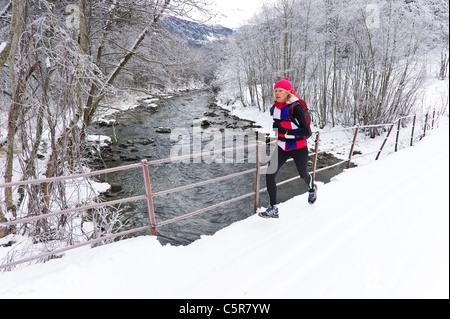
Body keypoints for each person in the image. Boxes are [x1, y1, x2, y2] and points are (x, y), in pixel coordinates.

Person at [259, 78, 317, 219]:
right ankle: (273, 208)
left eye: (280, 91)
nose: (277, 93)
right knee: (269, 173)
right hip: (282, 146)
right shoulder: (275, 108)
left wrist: (285, 131)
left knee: (303, 174)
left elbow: (307, 132)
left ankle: (312, 187)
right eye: (276, 91)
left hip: (298, 147)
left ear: (287, 93)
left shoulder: (295, 108)